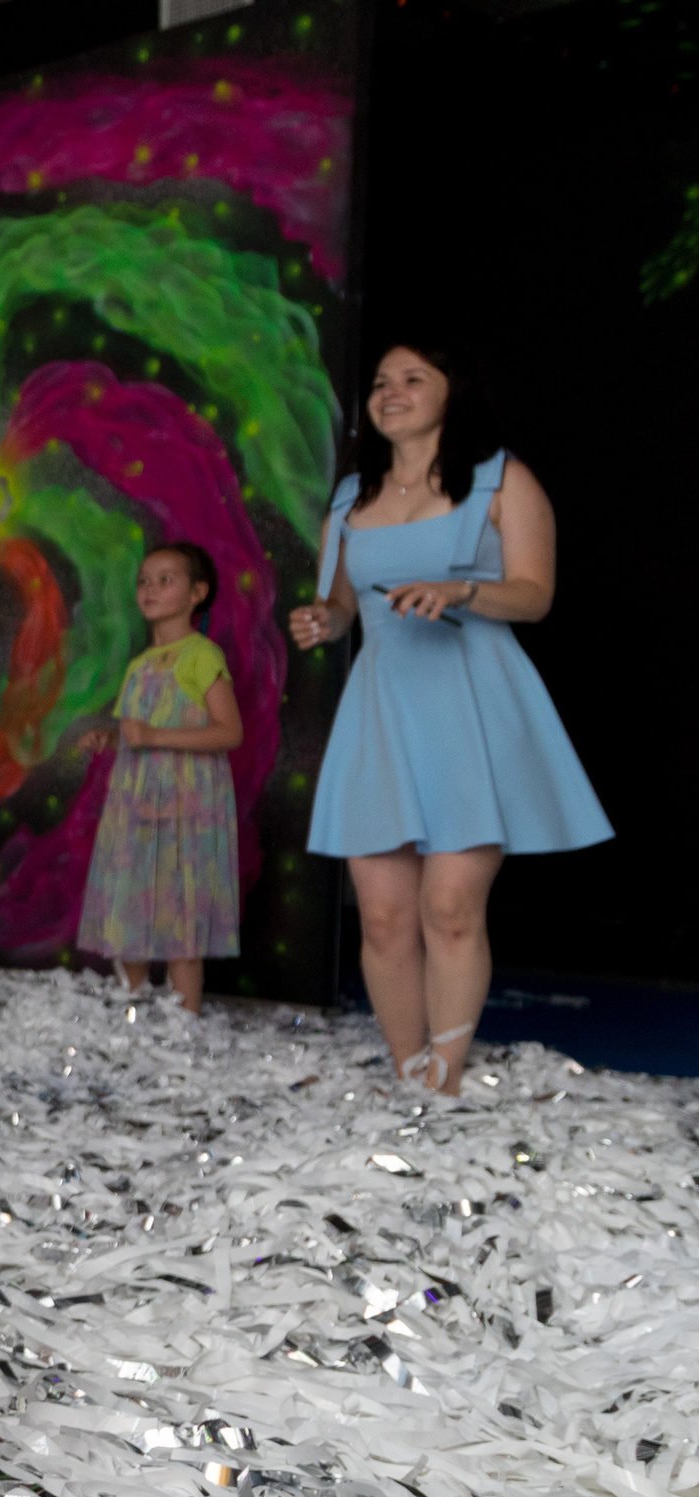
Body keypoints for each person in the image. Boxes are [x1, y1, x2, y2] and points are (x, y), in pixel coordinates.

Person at [288, 342, 608, 1093]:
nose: (390, 392)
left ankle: (445, 1080)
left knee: (452, 906)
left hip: (472, 703)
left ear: (452, 392)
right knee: (383, 916)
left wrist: (461, 590)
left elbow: (535, 594)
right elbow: (342, 605)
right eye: (380, 382)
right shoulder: (350, 498)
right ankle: (410, 1076)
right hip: (382, 709)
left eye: (412, 379)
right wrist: (325, 621)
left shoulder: (501, 479)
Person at [76, 543, 243, 1013]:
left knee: (180, 914)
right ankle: (130, 1012)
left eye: (166, 580)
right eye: (144, 581)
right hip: (137, 805)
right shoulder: (140, 663)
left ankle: (183, 1022)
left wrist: (153, 735)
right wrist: (113, 738)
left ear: (197, 593)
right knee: (132, 904)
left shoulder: (201, 654)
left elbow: (229, 732)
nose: (150, 589)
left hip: (186, 805)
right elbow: (138, 730)